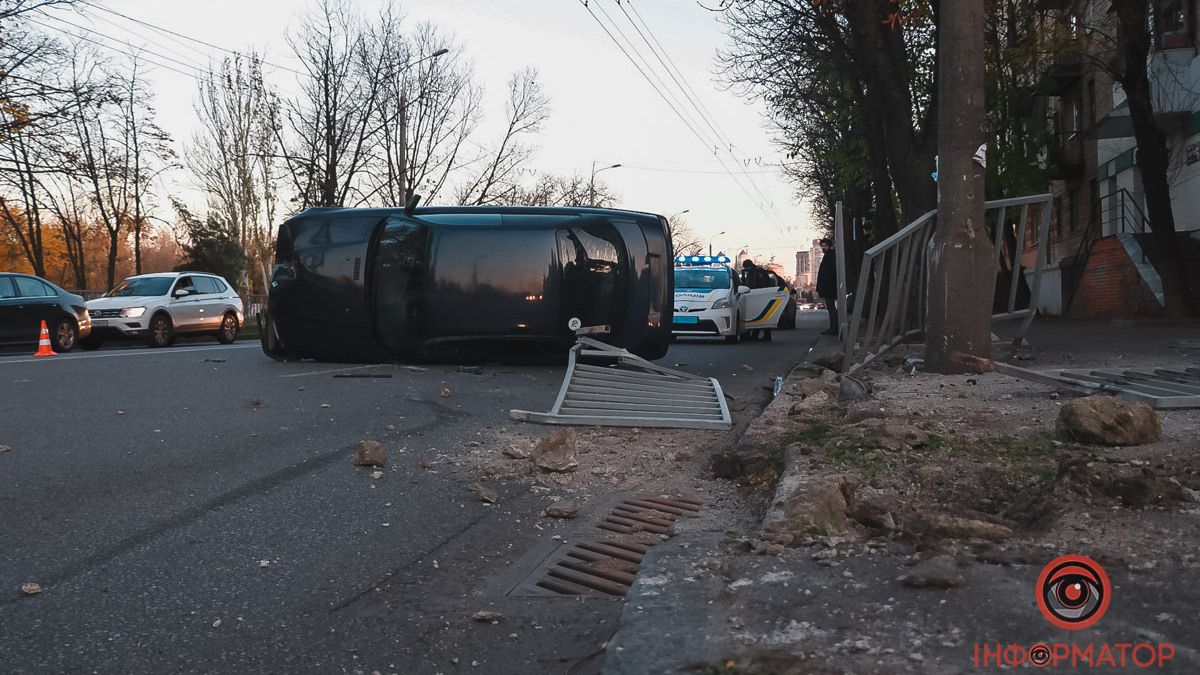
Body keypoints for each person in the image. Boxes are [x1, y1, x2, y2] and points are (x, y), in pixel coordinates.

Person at [815, 238, 838, 335]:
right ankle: (833, 327)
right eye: (822, 246)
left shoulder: (831, 256)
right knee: (831, 308)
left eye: (825, 246)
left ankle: (834, 328)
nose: (823, 248)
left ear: (829, 246)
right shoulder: (828, 256)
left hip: (830, 287)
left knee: (831, 308)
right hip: (828, 287)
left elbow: (830, 272)